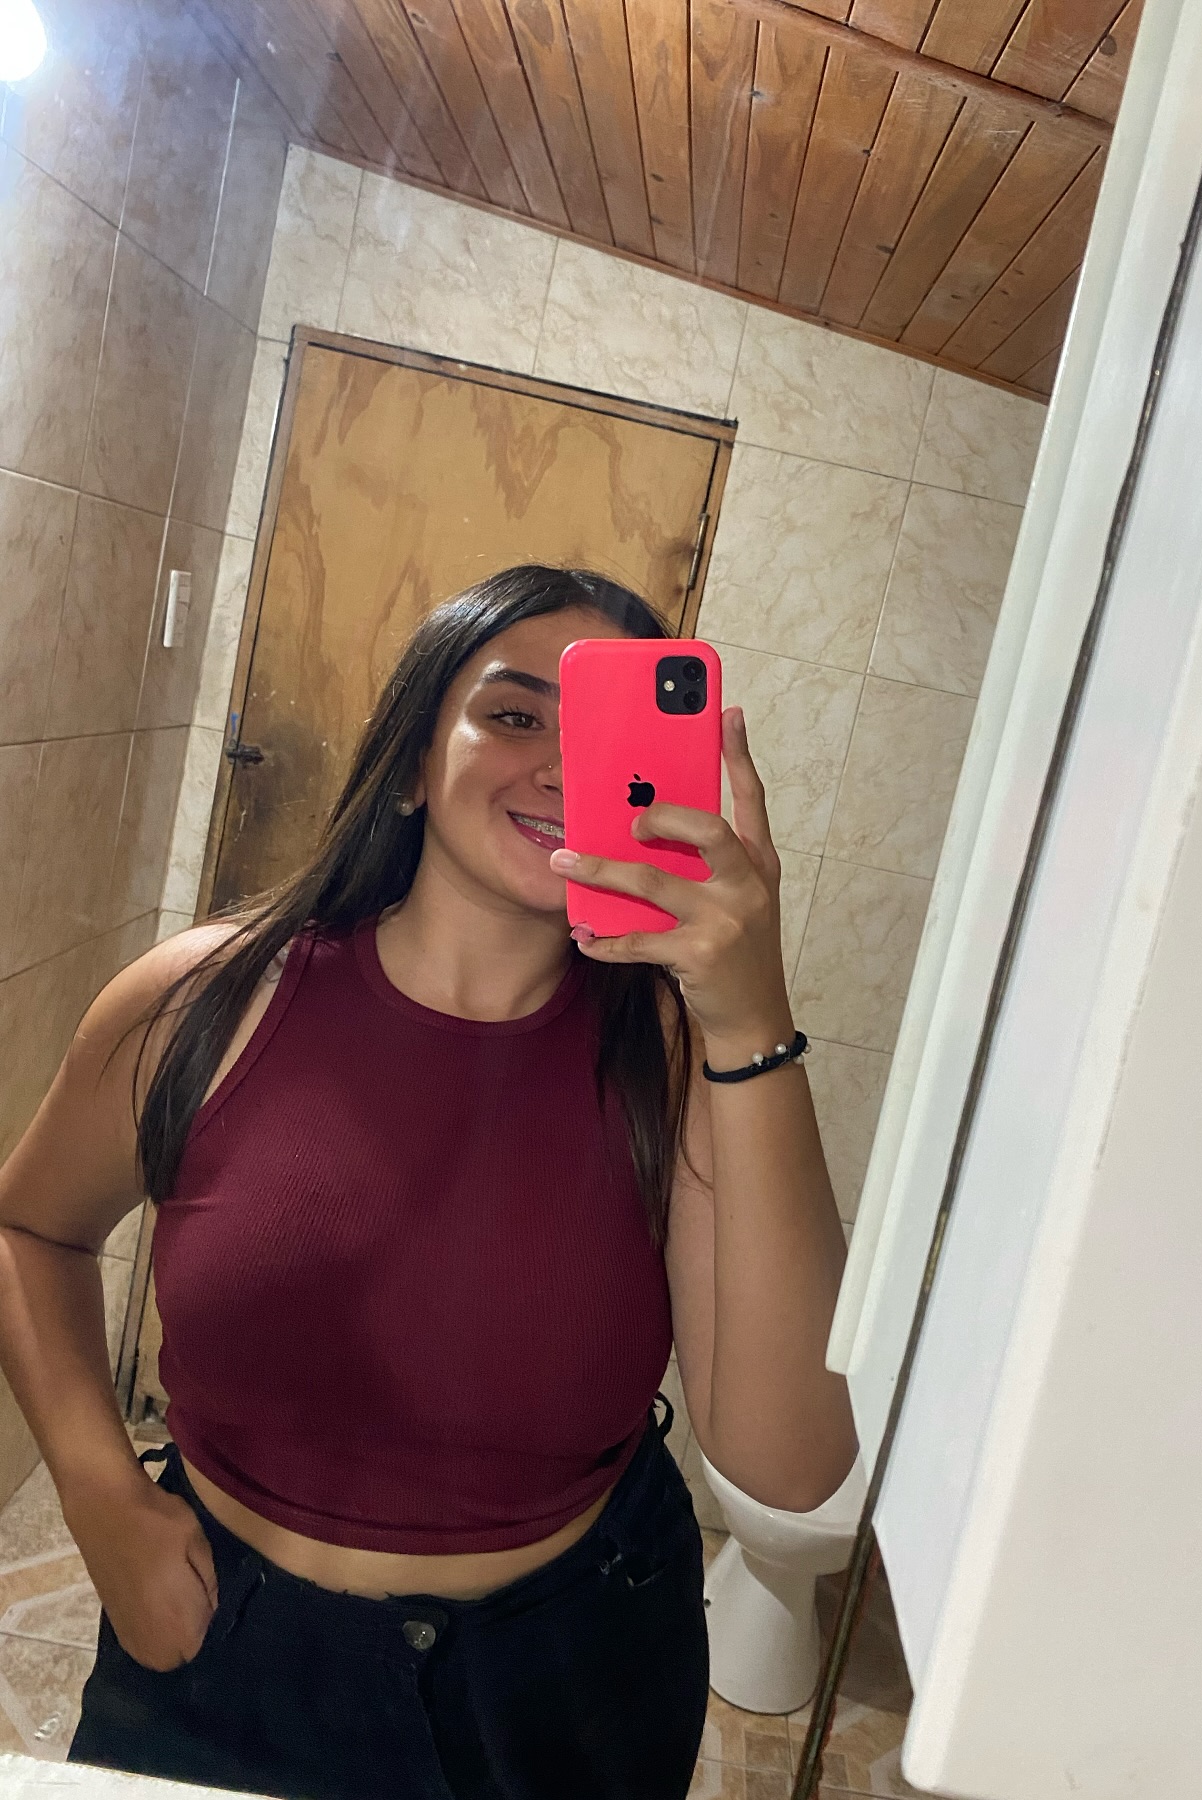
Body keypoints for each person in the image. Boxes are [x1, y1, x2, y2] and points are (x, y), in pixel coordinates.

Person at [0, 565, 857, 1800]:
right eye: (513, 715)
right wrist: (97, 1493)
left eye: (603, 731)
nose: (560, 768)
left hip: (567, 1677)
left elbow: (792, 1467)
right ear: (410, 760)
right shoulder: (205, 1001)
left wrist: (751, 1017)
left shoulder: (681, 1059)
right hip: (221, 1646)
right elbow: (31, 1230)